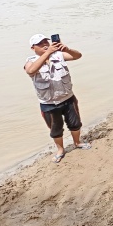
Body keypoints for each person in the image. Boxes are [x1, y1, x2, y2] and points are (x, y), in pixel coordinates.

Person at [25, 34, 90, 164]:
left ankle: (77, 142)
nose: (45, 44)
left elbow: (77, 56)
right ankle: (60, 150)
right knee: (55, 130)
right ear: (33, 48)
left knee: (75, 123)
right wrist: (47, 53)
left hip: (68, 98)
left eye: (46, 42)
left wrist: (67, 49)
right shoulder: (31, 60)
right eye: (40, 43)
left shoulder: (58, 55)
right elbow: (30, 70)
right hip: (49, 103)